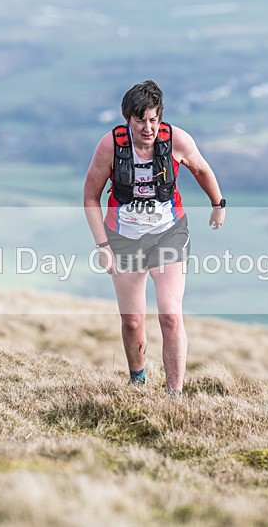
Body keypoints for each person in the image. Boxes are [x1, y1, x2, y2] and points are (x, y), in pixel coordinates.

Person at [83, 80, 226, 397]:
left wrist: (218, 204)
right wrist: (102, 245)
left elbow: (201, 169)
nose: (148, 128)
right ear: (128, 119)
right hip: (123, 237)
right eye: (140, 120)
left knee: (169, 315)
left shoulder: (177, 140)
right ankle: (137, 382)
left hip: (168, 234)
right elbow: (90, 197)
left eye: (153, 119)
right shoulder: (111, 146)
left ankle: (173, 395)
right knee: (132, 321)